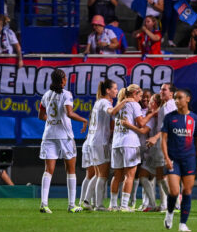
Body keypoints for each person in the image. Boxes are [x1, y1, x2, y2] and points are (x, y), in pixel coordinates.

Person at [38, 69, 88, 214]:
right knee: (70, 169)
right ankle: (72, 205)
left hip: (49, 135)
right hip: (65, 136)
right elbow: (69, 113)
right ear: (63, 80)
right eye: (65, 78)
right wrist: (84, 119)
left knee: (48, 170)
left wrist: (52, 121)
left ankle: (44, 204)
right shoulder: (66, 94)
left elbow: (41, 115)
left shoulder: (46, 95)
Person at [85, 79, 134, 211]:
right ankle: (99, 205)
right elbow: (112, 112)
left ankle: (86, 201)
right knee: (102, 174)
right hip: (99, 141)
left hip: (94, 141)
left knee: (97, 174)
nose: (116, 91)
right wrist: (124, 101)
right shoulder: (104, 102)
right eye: (115, 89)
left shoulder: (98, 102)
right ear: (108, 90)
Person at [162, 88, 197, 232]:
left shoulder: (195, 119)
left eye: (179, 97)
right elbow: (163, 140)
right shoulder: (169, 117)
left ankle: (183, 224)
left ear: (188, 99)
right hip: (173, 159)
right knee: (174, 192)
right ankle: (169, 212)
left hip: (189, 159)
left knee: (187, 191)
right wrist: (166, 158)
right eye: (175, 98)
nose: (176, 100)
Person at [109, 84, 155, 212]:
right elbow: (141, 123)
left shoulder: (119, 104)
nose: (141, 98)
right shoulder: (134, 105)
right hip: (129, 142)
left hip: (116, 143)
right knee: (129, 175)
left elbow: (112, 115)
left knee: (117, 175)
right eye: (140, 95)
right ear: (134, 94)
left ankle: (113, 205)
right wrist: (151, 115)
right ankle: (124, 205)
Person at [146, 83, 178, 211]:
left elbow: (168, 126)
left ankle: (175, 203)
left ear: (171, 93)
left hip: (166, 142)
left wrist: (155, 137)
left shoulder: (170, 105)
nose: (161, 91)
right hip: (162, 142)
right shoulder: (165, 105)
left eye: (164, 89)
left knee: (165, 175)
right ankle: (166, 204)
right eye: (160, 89)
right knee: (160, 175)